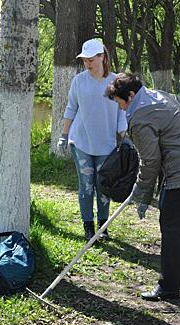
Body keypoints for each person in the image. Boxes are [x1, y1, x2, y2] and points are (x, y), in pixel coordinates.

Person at [105, 73, 180, 301]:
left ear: (129, 95)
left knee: (171, 228)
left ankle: (168, 286)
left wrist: (139, 190)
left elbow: (150, 161)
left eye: (119, 103)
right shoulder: (159, 94)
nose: (120, 109)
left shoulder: (139, 117)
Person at [57, 39, 127, 241]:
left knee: (103, 186)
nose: (87, 64)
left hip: (107, 144)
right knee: (86, 186)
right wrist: (64, 135)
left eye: (91, 60)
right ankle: (88, 227)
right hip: (82, 142)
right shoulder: (79, 81)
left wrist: (124, 138)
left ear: (102, 58)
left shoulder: (115, 82)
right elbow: (71, 108)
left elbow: (122, 112)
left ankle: (102, 228)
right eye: (84, 60)